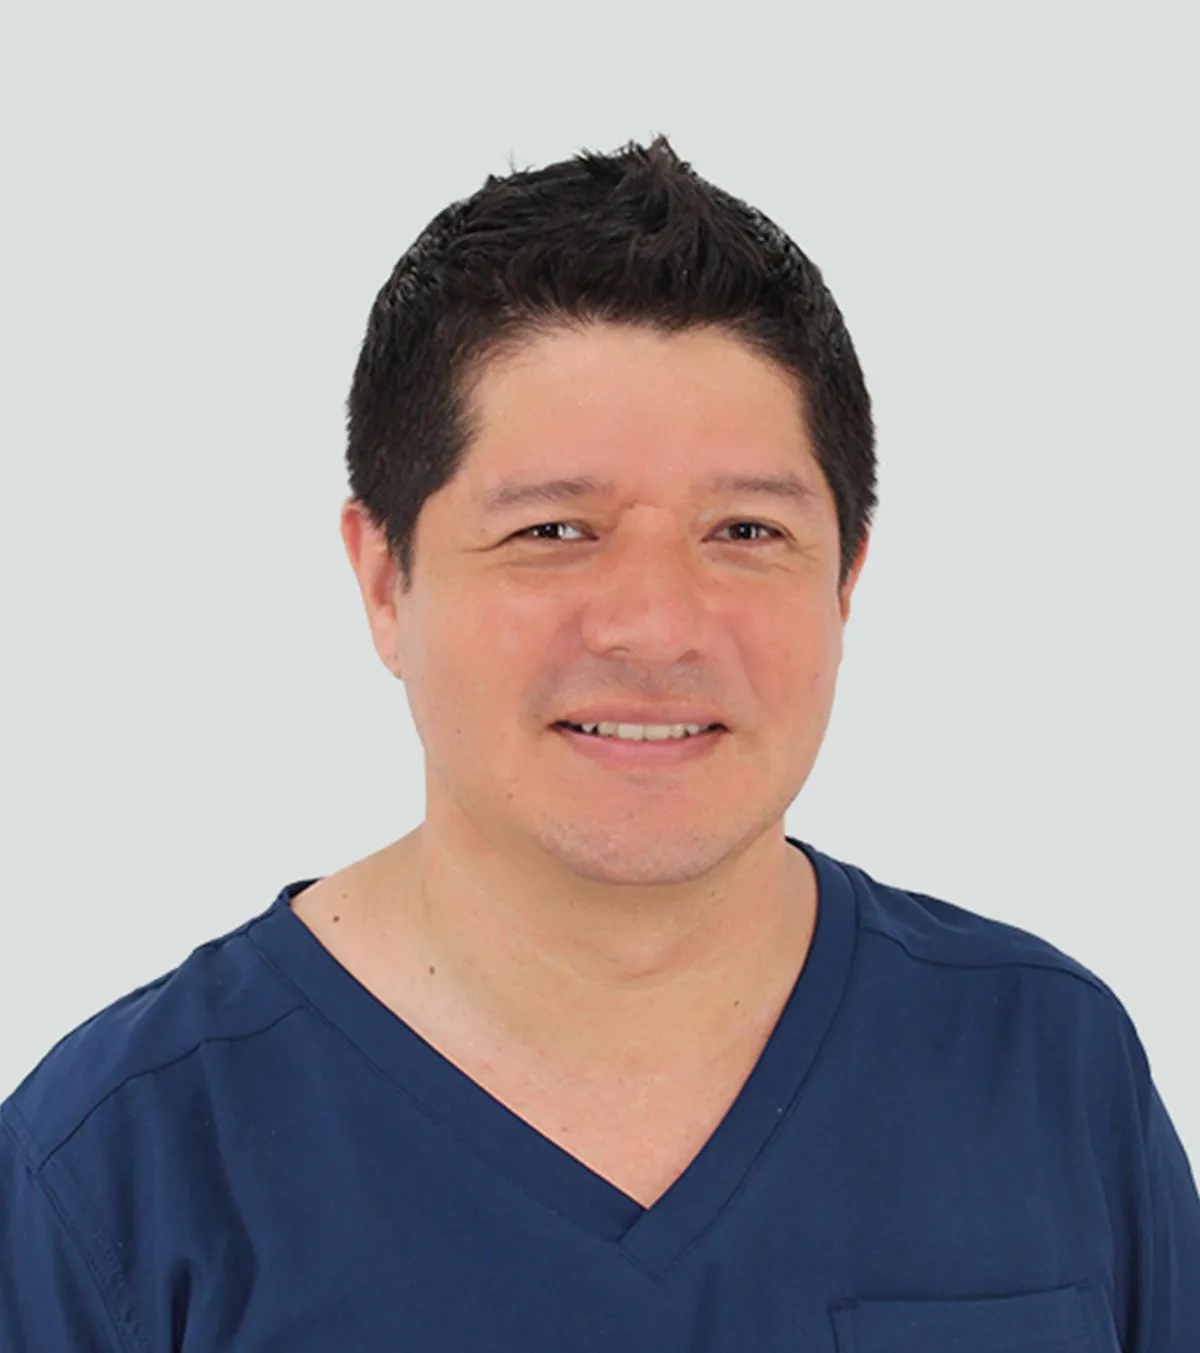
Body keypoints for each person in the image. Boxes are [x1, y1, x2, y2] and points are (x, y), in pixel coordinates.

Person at [1, 134, 1196, 1352]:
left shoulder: (1047, 1069)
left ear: (846, 582)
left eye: (745, 531)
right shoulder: (118, 1175)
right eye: (554, 531)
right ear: (383, 579)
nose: (656, 626)